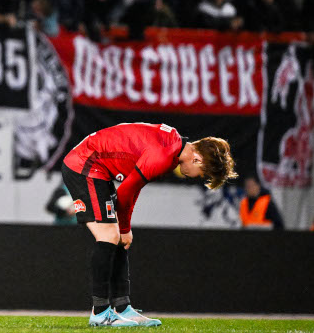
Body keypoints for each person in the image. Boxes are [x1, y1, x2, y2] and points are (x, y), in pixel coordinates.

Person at [60, 123, 237, 327]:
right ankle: (100, 313)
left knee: (117, 238)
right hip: (84, 164)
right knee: (109, 236)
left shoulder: (173, 144)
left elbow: (134, 187)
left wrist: (124, 229)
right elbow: (126, 192)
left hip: (97, 166)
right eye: (204, 173)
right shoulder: (164, 156)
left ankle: (123, 308)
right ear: (197, 159)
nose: (198, 177)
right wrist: (125, 228)